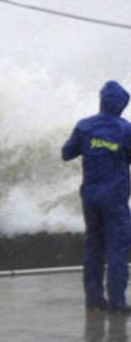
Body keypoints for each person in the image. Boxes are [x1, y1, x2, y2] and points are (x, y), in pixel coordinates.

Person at [63, 80, 131, 313]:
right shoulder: (125, 129)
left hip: (90, 198)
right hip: (115, 199)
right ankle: (117, 303)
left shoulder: (84, 126)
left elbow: (66, 153)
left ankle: (93, 301)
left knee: (93, 246)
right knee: (118, 249)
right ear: (121, 105)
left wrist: (92, 147)